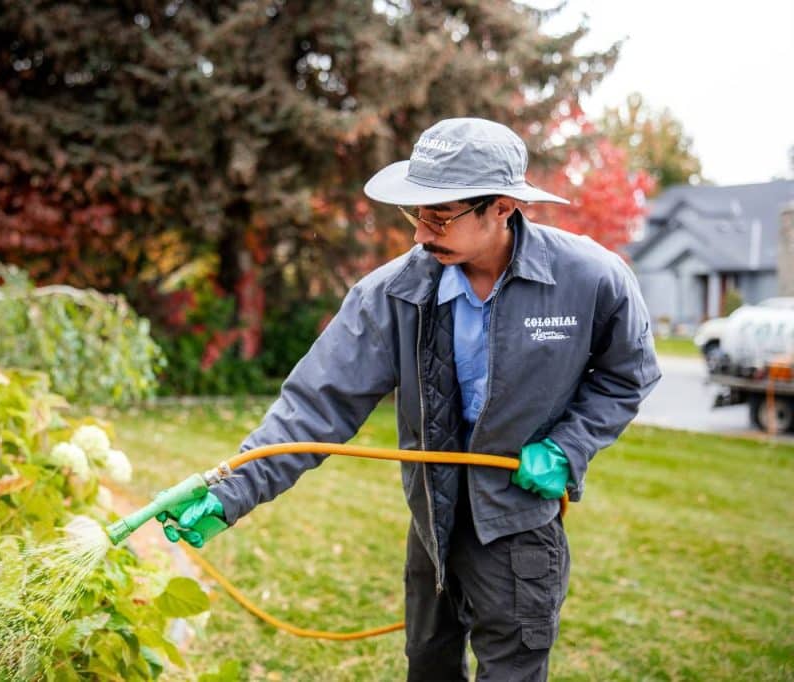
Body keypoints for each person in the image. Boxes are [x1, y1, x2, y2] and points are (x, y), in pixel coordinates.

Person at [155, 117, 661, 681]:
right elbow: (315, 405)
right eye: (415, 213)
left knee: (512, 671)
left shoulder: (590, 278)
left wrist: (569, 447)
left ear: (502, 207)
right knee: (428, 664)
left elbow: (627, 375)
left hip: (518, 525)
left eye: (440, 215)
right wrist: (232, 492)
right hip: (432, 520)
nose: (421, 233)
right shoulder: (390, 294)